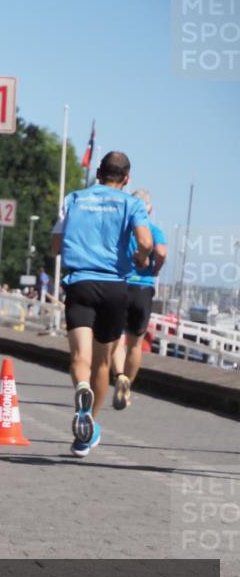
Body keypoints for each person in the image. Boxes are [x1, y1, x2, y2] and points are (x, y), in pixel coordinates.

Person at [50, 151, 153, 458]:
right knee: (103, 362)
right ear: (127, 178)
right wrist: (141, 257)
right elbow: (146, 243)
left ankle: (81, 387)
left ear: (98, 172)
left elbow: (55, 245)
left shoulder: (74, 199)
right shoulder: (132, 203)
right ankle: (89, 424)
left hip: (80, 283)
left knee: (79, 356)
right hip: (114, 287)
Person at [111, 189, 168, 410]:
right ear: (149, 209)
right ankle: (128, 387)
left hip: (121, 284)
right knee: (135, 344)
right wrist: (155, 270)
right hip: (143, 290)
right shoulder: (154, 230)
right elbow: (161, 252)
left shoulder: (122, 229)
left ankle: (120, 377)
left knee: (116, 339)